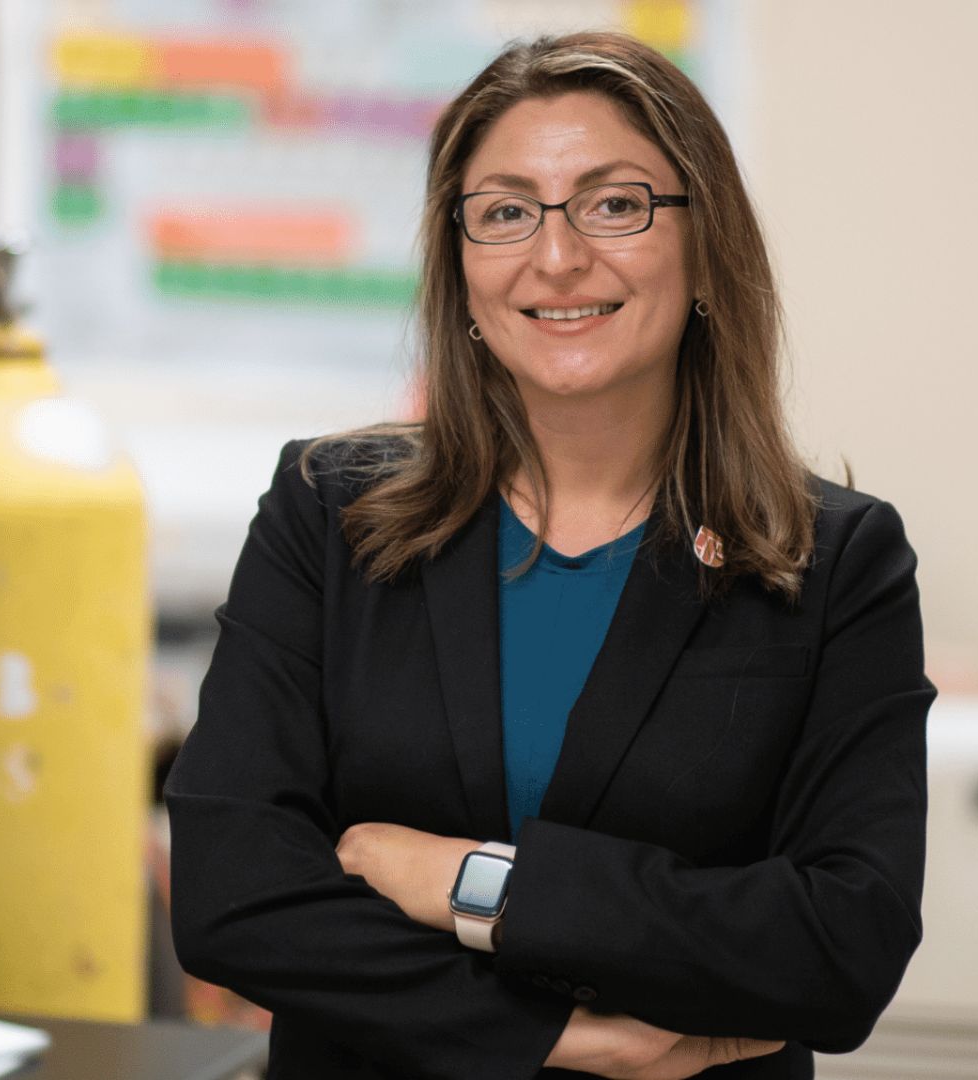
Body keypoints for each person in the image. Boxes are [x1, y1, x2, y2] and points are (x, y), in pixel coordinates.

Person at [164, 30, 933, 1079]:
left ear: (703, 246)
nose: (557, 256)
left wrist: (467, 883)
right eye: (505, 212)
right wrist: (564, 1038)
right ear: (461, 266)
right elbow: (233, 895)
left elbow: (841, 943)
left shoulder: (833, 559)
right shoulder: (327, 512)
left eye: (614, 204)